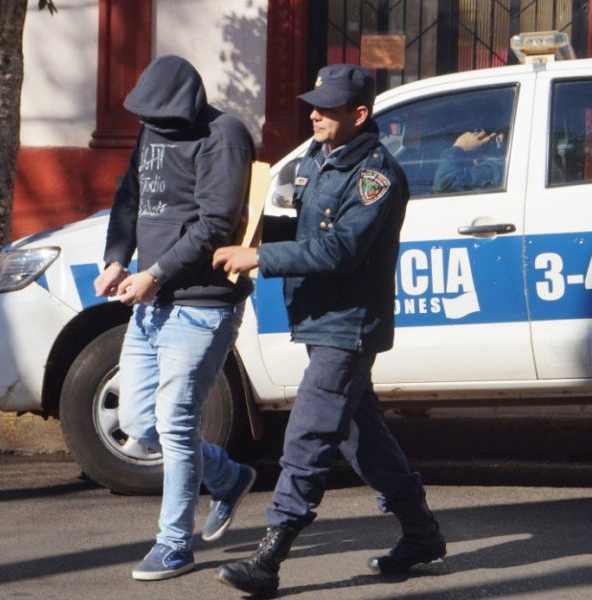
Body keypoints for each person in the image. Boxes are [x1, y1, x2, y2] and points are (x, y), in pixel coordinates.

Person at [211, 64, 446, 596]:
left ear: (358, 115)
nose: (314, 113)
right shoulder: (319, 160)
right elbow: (302, 226)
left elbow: (340, 248)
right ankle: (421, 533)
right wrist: (247, 231)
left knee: (310, 433)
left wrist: (261, 256)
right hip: (319, 319)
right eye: (314, 103)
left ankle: (269, 558)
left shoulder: (376, 177)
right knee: (362, 439)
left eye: (327, 107)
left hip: (348, 325)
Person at [93, 54, 258, 582]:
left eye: (160, 120)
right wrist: (117, 258)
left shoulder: (224, 135)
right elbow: (129, 197)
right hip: (151, 298)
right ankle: (228, 478)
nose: (153, 130)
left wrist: (155, 273)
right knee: (137, 423)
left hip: (202, 302)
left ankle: (173, 544)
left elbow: (216, 224)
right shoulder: (152, 132)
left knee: (176, 421)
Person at [432, 126, 507, 193]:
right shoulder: (470, 164)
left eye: (478, 134)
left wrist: (459, 146)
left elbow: (443, 184)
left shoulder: (498, 165)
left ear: (499, 137)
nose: (473, 138)